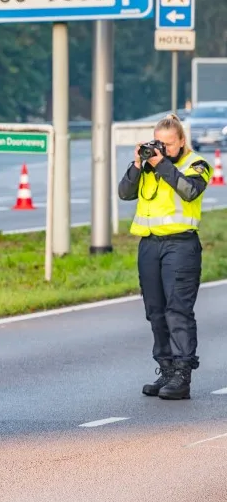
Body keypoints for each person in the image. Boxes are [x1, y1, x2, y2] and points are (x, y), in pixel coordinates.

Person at [118, 113, 212, 400]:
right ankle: (167, 371)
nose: (164, 149)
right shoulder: (148, 164)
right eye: (160, 143)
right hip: (149, 246)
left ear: (182, 141)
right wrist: (138, 164)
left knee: (178, 311)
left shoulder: (196, 164)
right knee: (155, 311)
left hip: (181, 246)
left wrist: (164, 164)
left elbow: (189, 191)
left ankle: (182, 376)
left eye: (170, 144)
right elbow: (124, 193)